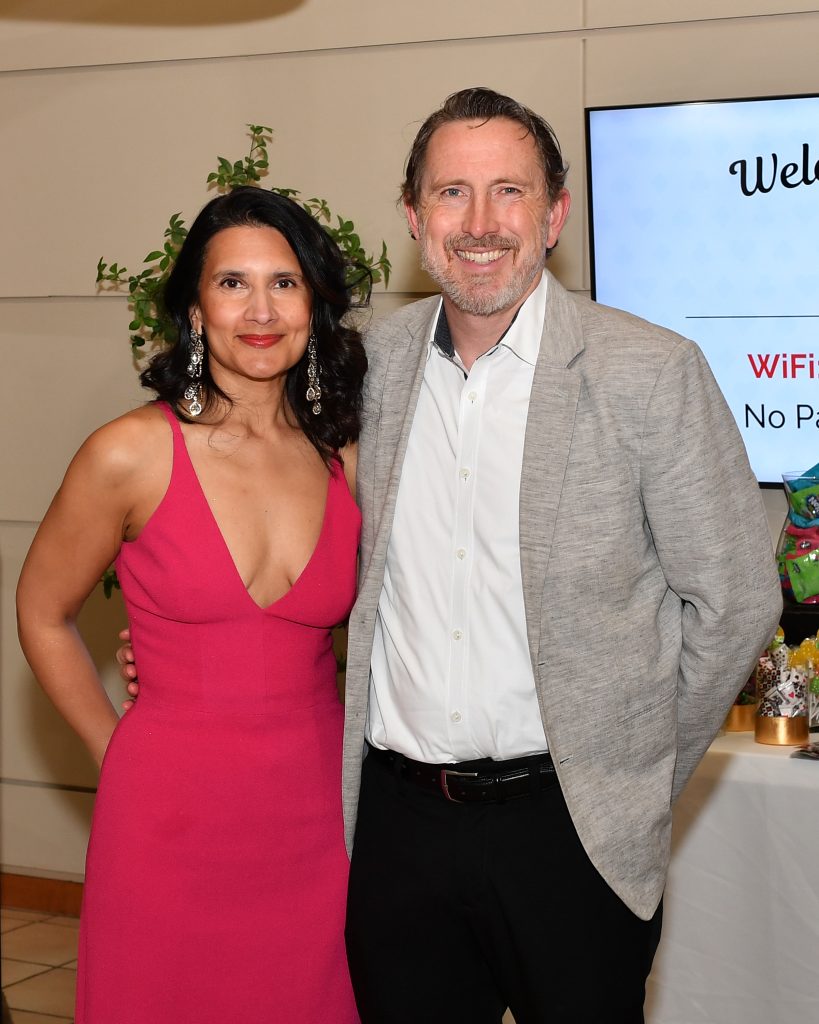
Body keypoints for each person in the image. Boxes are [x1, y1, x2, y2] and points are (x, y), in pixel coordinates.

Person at [119, 89, 783, 1023]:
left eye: (508, 192)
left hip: (571, 834)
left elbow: (735, 602)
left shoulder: (649, 372)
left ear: (554, 214)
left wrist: (627, 774)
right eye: (450, 193)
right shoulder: (363, 371)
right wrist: (190, 640)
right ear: (412, 215)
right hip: (399, 832)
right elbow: (268, 513)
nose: (479, 224)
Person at [17, 186, 365, 1023]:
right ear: (194, 309)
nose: (260, 311)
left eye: (284, 283)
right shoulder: (129, 453)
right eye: (232, 283)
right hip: (164, 816)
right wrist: (114, 748)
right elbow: (41, 611)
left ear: (314, 305)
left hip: (318, 816)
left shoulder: (348, 461)